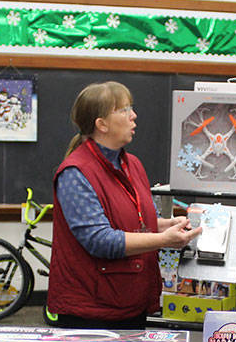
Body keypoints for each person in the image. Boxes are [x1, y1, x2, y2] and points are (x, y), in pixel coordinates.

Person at [48, 81, 201, 328]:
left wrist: (165, 225)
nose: (134, 116)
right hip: (91, 314)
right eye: (124, 110)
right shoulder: (76, 172)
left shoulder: (132, 164)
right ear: (102, 125)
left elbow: (132, 221)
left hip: (130, 301)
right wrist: (165, 240)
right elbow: (100, 239)